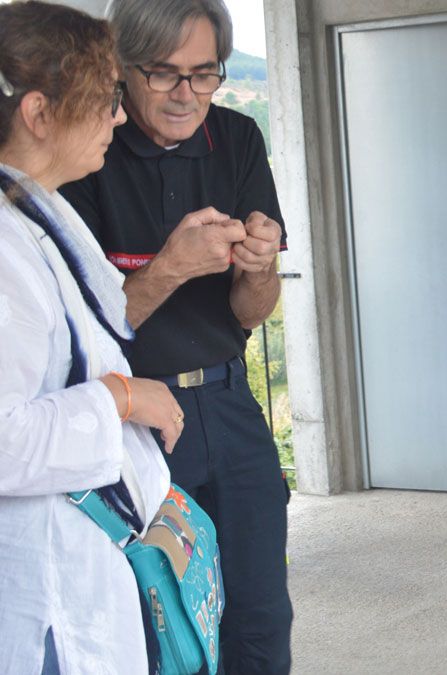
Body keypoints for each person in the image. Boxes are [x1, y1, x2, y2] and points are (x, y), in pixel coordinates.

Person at [59, 0, 292, 670]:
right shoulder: (86, 152)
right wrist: (169, 268)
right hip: (133, 416)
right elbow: (79, 337)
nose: (187, 95)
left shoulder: (238, 138)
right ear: (122, 70)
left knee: (261, 614)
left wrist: (259, 269)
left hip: (228, 401)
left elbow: (252, 312)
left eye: (205, 73)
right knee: (156, 620)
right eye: (164, 75)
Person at [0, 2, 187, 671]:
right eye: (106, 97)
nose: (117, 115)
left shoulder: (34, 214)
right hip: (43, 597)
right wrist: (122, 398)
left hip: (81, 561)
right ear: (40, 113)